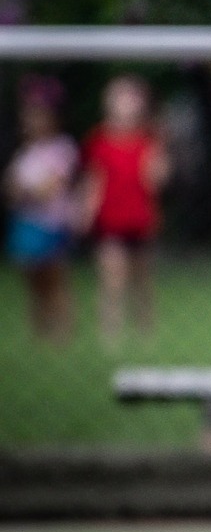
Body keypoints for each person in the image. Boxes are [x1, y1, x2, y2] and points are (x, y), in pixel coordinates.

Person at [79, 74, 169, 343]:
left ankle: (145, 335)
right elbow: (94, 180)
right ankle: (111, 337)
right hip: (110, 221)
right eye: (119, 97)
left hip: (140, 220)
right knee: (111, 282)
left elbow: (156, 180)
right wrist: (85, 212)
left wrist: (160, 150)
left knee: (142, 283)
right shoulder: (99, 140)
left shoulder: (148, 141)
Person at [5, 76, 78, 343]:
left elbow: (51, 188)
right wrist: (26, 191)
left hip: (51, 223)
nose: (33, 121)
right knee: (33, 282)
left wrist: (27, 191)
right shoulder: (25, 152)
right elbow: (11, 190)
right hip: (26, 223)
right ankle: (39, 333)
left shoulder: (62, 149)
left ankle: (62, 334)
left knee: (55, 279)